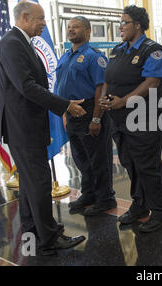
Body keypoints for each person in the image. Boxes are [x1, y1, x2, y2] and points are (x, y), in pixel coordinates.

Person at [0, 0, 86, 255]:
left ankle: (33, 230)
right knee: (40, 181)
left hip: (23, 125)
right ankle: (49, 238)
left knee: (30, 183)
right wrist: (65, 105)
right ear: (24, 18)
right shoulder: (13, 44)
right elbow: (27, 86)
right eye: (40, 18)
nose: (44, 23)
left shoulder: (21, 42)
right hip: (23, 126)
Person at [99, 5, 162, 233]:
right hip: (120, 120)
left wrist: (124, 101)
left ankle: (160, 212)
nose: (120, 27)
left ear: (138, 25)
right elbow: (108, 79)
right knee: (129, 163)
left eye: (124, 22)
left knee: (147, 166)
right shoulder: (119, 50)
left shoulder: (153, 50)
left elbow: (151, 82)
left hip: (146, 118)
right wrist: (105, 99)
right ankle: (140, 204)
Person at [55, 16, 116, 216]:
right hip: (72, 112)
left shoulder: (93, 56)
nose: (71, 30)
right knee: (81, 159)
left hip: (90, 110)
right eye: (69, 27)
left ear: (88, 31)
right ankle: (89, 194)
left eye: (77, 27)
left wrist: (96, 118)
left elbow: (101, 88)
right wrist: (65, 113)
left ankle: (105, 198)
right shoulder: (65, 56)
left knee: (98, 159)